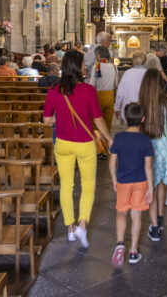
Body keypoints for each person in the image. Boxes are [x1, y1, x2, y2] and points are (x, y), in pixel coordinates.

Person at [42, 50, 112, 249]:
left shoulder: (54, 89)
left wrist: (61, 118)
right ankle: (82, 225)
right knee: (88, 185)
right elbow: (98, 120)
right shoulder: (88, 90)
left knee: (66, 185)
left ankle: (70, 229)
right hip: (84, 144)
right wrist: (109, 138)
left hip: (63, 143)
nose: (85, 67)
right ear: (77, 66)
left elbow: (47, 120)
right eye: (82, 64)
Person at [109, 102, 154, 267]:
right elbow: (148, 167)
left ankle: (120, 243)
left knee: (121, 213)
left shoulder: (119, 138)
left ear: (125, 119)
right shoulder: (145, 140)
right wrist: (151, 187)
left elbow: (111, 163)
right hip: (140, 182)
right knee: (136, 216)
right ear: (142, 119)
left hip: (122, 181)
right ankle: (134, 251)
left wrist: (114, 180)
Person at [139, 69, 167, 242]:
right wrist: (164, 132)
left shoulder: (142, 102)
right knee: (161, 183)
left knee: (151, 187)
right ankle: (161, 218)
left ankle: (154, 227)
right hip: (163, 147)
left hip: (148, 147)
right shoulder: (166, 99)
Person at [89, 45, 118, 134]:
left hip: (98, 97)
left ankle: (97, 144)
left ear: (98, 55)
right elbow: (116, 83)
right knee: (107, 124)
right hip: (110, 97)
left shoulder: (97, 66)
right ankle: (106, 144)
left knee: (96, 122)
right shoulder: (114, 66)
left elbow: (92, 84)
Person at [114, 51, 147, 122]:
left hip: (129, 110)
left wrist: (117, 107)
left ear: (133, 61)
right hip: (144, 109)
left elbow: (120, 92)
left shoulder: (127, 73)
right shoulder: (148, 73)